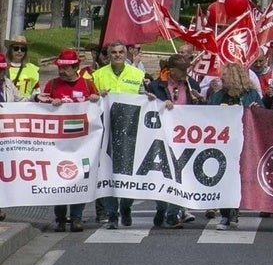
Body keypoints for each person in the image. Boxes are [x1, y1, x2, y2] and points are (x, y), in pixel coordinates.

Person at [37, 49, 100, 232]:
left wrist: (95, 99)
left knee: (79, 180)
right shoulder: (52, 85)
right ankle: (60, 218)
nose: (62, 72)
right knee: (59, 181)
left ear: (76, 67)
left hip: (83, 144)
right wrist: (48, 104)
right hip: (58, 145)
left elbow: (97, 110)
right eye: (60, 68)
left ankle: (77, 218)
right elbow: (40, 109)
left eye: (66, 68)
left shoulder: (88, 85)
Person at [92, 40, 147, 229]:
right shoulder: (97, 75)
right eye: (113, 52)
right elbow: (91, 100)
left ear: (126, 54)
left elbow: (144, 98)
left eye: (120, 52)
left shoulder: (137, 74)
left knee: (127, 175)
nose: (117, 55)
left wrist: (151, 98)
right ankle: (112, 214)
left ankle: (126, 207)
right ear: (108, 55)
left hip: (130, 133)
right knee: (106, 174)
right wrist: (97, 95)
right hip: (105, 132)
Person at [147, 54, 205, 229]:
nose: (185, 74)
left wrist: (201, 100)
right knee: (163, 176)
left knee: (181, 176)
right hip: (162, 136)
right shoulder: (157, 86)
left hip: (184, 137)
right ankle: (161, 208)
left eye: (186, 70)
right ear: (171, 70)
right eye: (181, 71)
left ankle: (173, 215)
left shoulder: (190, 85)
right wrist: (160, 102)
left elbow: (198, 110)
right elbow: (149, 105)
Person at [208, 62, 263, 230]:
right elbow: (206, 113)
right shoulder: (218, 96)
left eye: (224, 75)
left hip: (244, 143)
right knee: (224, 178)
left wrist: (256, 110)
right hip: (223, 144)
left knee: (239, 179)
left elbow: (264, 116)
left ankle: (234, 209)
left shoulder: (251, 95)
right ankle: (226, 214)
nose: (221, 78)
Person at [0, 52, 26, 222]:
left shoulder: (8, 84)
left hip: (5, 136)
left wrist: (35, 99)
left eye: (2, 70)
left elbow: (20, 101)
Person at [7, 35, 40, 100]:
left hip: (26, 107)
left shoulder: (32, 69)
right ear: (10, 50)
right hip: (8, 107)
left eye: (23, 49)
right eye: (16, 48)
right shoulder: (4, 68)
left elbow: (37, 91)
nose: (19, 51)